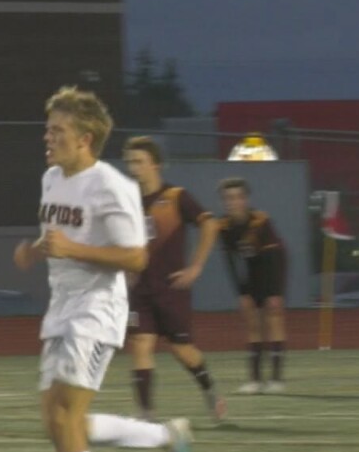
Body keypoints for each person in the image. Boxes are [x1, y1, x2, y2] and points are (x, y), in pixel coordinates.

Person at [13, 87, 193, 452]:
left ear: (86, 138)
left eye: (58, 130)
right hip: (61, 307)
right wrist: (33, 251)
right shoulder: (52, 177)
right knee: (57, 422)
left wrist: (75, 250)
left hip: (97, 312)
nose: (48, 137)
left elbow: (135, 256)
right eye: (48, 128)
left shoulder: (112, 186)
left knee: (67, 414)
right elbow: (55, 235)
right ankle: (165, 435)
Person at [123, 136, 226, 422]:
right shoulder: (126, 201)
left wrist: (195, 267)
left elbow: (210, 224)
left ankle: (209, 390)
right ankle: (146, 413)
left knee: (183, 351)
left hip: (171, 289)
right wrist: (124, 266)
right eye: (130, 162)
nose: (133, 168)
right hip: (140, 290)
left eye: (139, 162)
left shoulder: (177, 197)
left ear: (155, 164)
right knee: (141, 344)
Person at [217, 177, 289, 394]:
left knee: (274, 314)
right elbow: (231, 261)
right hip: (250, 271)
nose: (233, 202)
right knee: (252, 321)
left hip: (272, 266)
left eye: (238, 197)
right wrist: (242, 292)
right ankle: (255, 380)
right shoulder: (224, 226)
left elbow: (274, 256)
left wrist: (275, 291)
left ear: (245, 199)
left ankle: (277, 379)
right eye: (228, 198)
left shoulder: (260, 221)